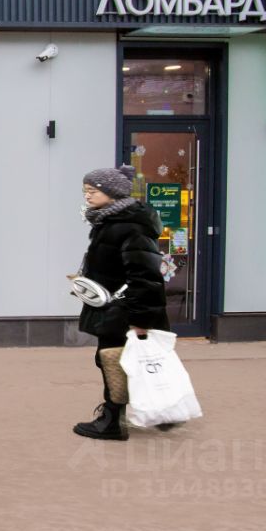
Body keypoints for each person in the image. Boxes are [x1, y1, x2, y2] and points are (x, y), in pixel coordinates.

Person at [72, 165, 169, 442]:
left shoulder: (129, 226)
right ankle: (144, 413)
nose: (87, 196)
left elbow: (145, 275)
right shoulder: (111, 221)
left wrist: (140, 319)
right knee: (115, 361)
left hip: (123, 310)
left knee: (114, 361)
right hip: (113, 307)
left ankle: (112, 421)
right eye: (85, 191)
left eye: (93, 191)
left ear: (112, 193)